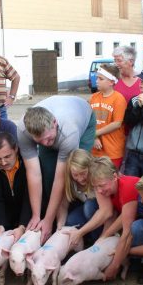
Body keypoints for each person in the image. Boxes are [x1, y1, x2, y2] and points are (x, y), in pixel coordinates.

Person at [17, 96, 96, 242]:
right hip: (57, 126)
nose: (46, 144)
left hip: (83, 121)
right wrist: (36, 215)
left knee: (75, 174)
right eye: (39, 141)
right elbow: (34, 174)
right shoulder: (23, 131)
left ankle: (69, 220)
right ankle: (51, 221)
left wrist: (47, 220)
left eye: (47, 139)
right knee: (48, 175)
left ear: (54, 123)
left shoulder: (69, 132)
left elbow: (61, 179)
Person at [88, 157, 139, 281]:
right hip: (132, 217)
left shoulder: (127, 187)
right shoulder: (111, 188)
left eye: (102, 185)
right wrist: (103, 237)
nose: (99, 190)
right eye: (96, 187)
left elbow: (127, 233)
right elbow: (117, 215)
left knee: (136, 229)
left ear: (115, 176)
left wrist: (114, 266)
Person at [0, 132, 31, 235]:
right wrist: (0, 224)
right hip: (6, 215)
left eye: (7, 156)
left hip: (27, 215)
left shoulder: (27, 163)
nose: (3, 163)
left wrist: (22, 225)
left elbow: (28, 197)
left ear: (15, 149)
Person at [89, 64, 126, 168]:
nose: (97, 81)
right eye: (97, 78)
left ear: (111, 82)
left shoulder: (118, 99)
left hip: (112, 151)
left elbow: (117, 123)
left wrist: (95, 133)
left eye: (101, 79)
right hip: (94, 150)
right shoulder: (93, 97)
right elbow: (88, 120)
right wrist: (94, 137)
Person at [56, 149, 99, 240]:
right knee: (70, 222)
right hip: (87, 212)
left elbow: (107, 210)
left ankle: (98, 238)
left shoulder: (97, 177)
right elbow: (63, 205)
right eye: (75, 175)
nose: (80, 178)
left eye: (83, 173)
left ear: (90, 167)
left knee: (89, 206)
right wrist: (60, 227)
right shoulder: (71, 182)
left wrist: (81, 232)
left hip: (102, 212)